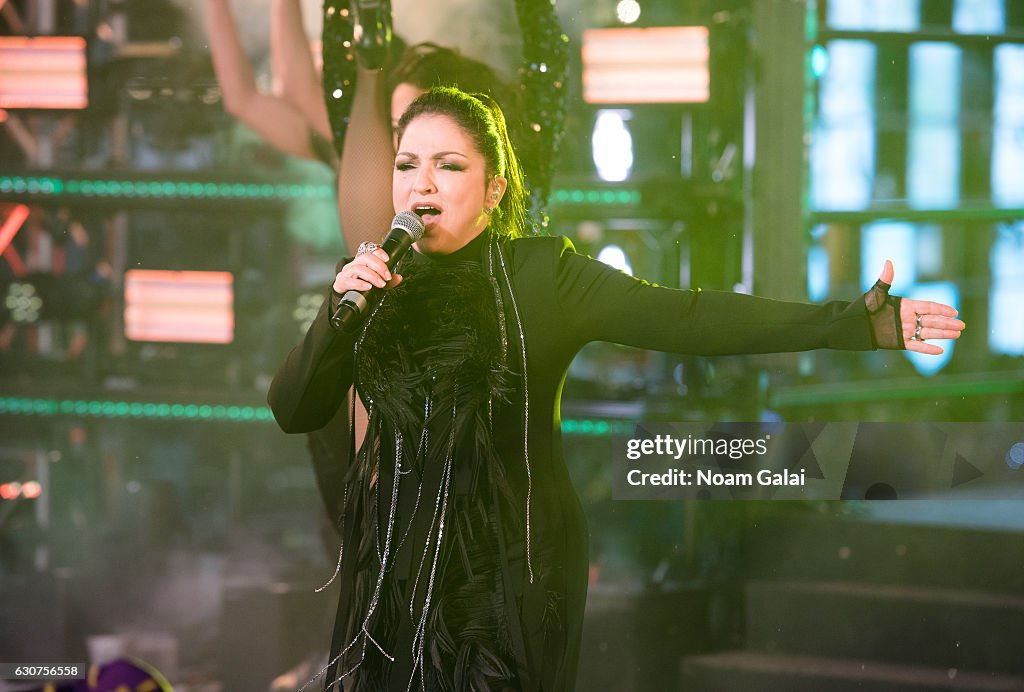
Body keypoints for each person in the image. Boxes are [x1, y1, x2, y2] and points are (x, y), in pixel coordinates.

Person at [267, 86, 966, 691]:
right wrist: (337, 313)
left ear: (493, 190)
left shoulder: (546, 277)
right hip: (397, 575)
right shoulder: (369, 285)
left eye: (449, 166)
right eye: (407, 165)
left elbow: (690, 316)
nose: (421, 185)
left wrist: (853, 324)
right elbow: (296, 409)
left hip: (514, 572)